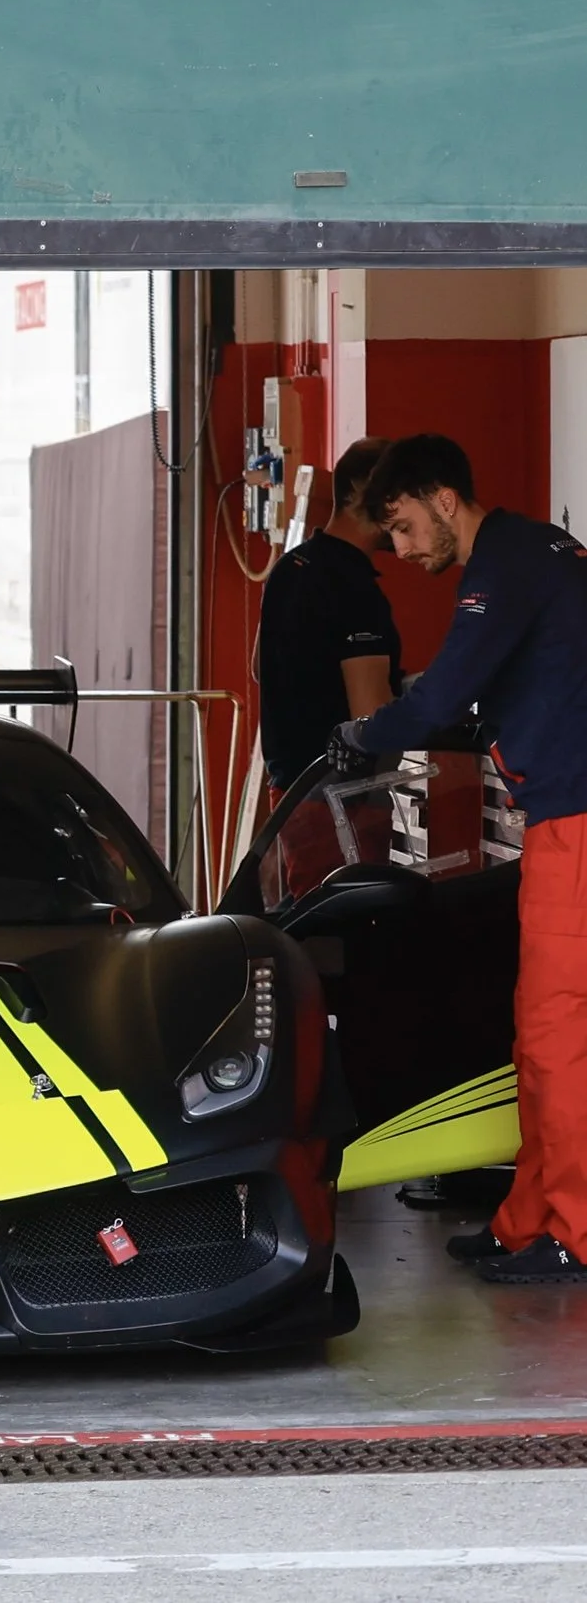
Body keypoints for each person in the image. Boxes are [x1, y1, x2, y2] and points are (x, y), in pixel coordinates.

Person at [329, 433, 587, 1285]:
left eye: (404, 526)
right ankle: (528, 1220)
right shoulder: (532, 553)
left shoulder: (504, 564)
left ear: (443, 499)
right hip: (558, 817)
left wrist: (362, 731)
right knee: (538, 1034)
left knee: (560, 1037)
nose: (401, 550)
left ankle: (574, 1232)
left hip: (576, 824)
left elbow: (440, 693)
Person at [258, 436, 401, 805]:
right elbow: (371, 716)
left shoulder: (289, 566)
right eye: (395, 494)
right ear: (357, 490)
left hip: (288, 790)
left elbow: (261, 667)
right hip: (339, 798)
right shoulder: (354, 588)